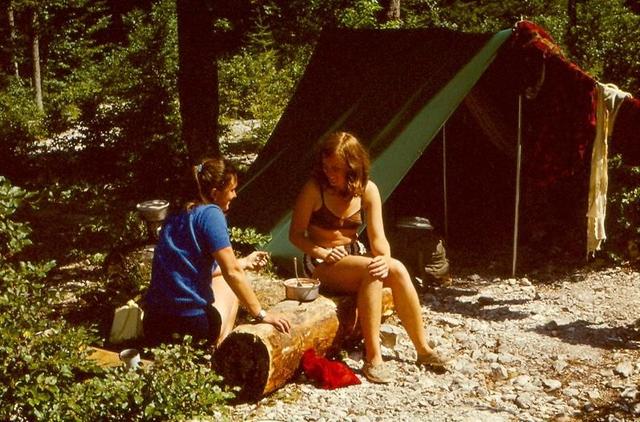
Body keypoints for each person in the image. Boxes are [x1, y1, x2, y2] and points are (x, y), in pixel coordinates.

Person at [289, 131, 447, 384]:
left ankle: (422, 349)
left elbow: (378, 238)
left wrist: (384, 257)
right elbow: (296, 235)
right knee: (371, 270)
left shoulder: (367, 190)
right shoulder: (314, 189)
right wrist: (323, 252)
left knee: (395, 268)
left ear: (352, 167)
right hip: (320, 261)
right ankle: (373, 356)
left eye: (336, 169)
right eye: (327, 167)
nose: (330, 173)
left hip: (353, 255)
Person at [144, 157, 290, 348]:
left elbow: (192, 267)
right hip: (189, 325)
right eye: (231, 190)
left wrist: (244, 262)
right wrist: (261, 314)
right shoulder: (211, 213)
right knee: (233, 285)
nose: (235, 195)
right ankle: (219, 349)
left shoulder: (178, 211)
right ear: (214, 193)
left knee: (231, 275)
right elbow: (232, 273)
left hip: (153, 324)